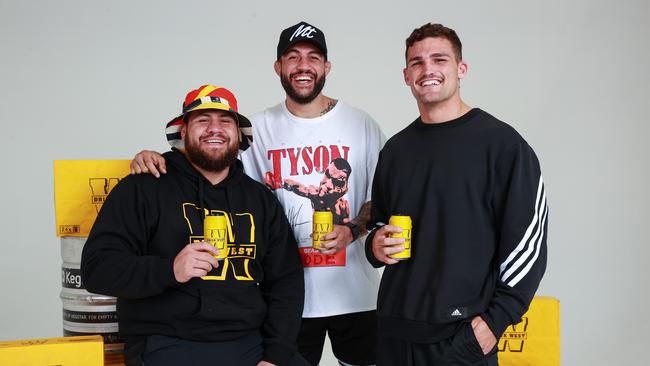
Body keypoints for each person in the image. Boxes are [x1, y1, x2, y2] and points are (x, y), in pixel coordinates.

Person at [130, 22, 385, 366]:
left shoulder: (361, 124)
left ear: (327, 66)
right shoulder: (256, 127)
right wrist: (159, 157)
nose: (303, 65)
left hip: (355, 292)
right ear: (278, 67)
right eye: (292, 57)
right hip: (285, 298)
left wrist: (352, 230)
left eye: (313, 57)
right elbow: (209, 163)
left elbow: (380, 197)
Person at [81, 85, 308, 366]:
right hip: (167, 341)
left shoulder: (260, 199)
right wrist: (170, 270)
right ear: (184, 131)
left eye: (225, 121)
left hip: (249, 342)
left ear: (238, 134)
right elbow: (97, 269)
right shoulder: (142, 188)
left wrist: (274, 356)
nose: (215, 128)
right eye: (202, 120)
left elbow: (286, 282)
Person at [365, 23, 548, 366]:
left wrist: (495, 322)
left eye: (439, 59)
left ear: (461, 69)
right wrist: (374, 245)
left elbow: (528, 245)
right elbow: (379, 223)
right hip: (394, 333)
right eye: (417, 62)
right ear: (406, 75)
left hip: (460, 338)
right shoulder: (395, 150)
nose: (428, 69)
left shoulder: (502, 146)